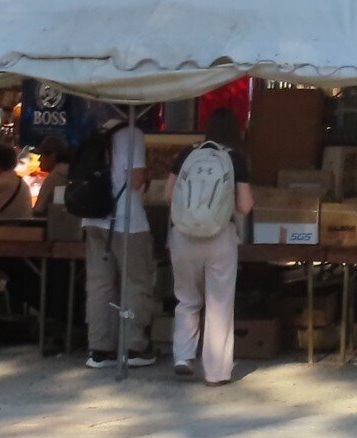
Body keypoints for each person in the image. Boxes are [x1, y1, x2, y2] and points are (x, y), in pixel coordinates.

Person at [170, 109, 255, 385]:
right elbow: (244, 206)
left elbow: (166, 194)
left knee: (186, 298)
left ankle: (183, 356)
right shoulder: (234, 158)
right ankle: (217, 372)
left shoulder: (187, 155)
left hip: (183, 235)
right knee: (219, 303)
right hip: (219, 237)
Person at [77, 114, 155, 368]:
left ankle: (100, 349)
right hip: (127, 221)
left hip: (93, 218)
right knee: (135, 282)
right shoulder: (133, 134)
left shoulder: (95, 131)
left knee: (100, 285)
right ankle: (133, 346)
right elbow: (135, 179)